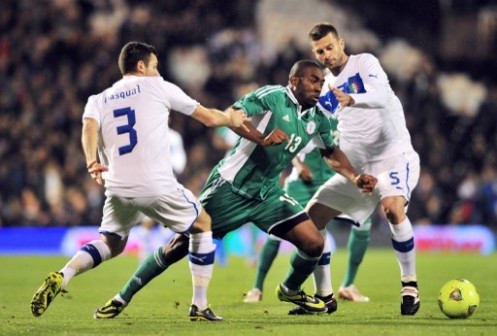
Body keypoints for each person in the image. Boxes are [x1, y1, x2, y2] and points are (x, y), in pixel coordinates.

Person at [92, 59, 377, 320]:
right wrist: (260, 137)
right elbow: (234, 114)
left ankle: (290, 290)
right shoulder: (273, 97)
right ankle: (120, 298)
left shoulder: (318, 118)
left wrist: (354, 176)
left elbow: (330, 152)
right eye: (313, 80)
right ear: (294, 81)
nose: (319, 86)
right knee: (178, 246)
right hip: (230, 188)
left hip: (267, 193)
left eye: (320, 81)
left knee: (314, 243)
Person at [29, 41, 248, 321]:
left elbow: (88, 127)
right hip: (156, 184)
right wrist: (230, 117)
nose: (158, 72)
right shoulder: (158, 86)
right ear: (141, 66)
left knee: (111, 244)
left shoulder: (100, 98)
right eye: (155, 66)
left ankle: (65, 274)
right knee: (203, 224)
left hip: (118, 186)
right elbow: (207, 118)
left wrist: (91, 161)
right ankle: (200, 305)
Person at [304, 23, 421, 315]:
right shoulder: (325, 92)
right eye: (320, 51)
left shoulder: (364, 63)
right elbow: (326, 146)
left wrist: (352, 98)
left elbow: (381, 95)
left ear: (341, 43)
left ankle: (410, 287)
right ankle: (325, 296)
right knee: (310, 221)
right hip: (359, 172)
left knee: (393, 209)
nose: (326, 54)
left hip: (393, 156)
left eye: (329, 47)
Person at [244, 141, 372, 303]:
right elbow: (292, 139)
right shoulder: (314, 116)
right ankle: (257, 288)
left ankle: (347, 285)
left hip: (333, 181)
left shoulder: (346, 119)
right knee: (277, 233)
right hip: (302, 184)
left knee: (364, 222)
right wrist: (298, 164)